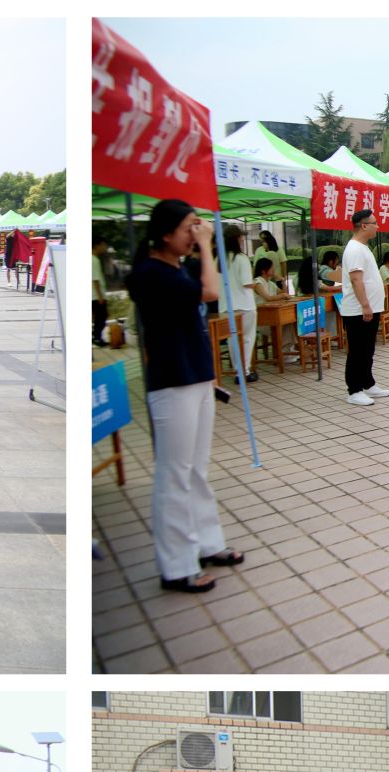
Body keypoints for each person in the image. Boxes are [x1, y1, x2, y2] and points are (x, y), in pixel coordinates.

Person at [127, 199, 242, 596]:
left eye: (199, 226)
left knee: (196, 469)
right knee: (174, 473)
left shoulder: (178, 268)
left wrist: (209, 378)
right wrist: (207, 244)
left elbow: (206, 293)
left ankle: (207, 545)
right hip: (172, 383)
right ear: (165, 234)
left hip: (196, 378)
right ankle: (176, 566)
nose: (196, 233)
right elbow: (210, 291)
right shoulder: (150, 273)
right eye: (190, 226)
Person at [335, 210, 387, 405]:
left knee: (367, 349)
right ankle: (354, 389)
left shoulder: (363, 247)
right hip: (358, 311)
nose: (377, 226)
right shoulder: (354, 249)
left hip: (370, 308)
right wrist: (365, 305)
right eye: (374, 223)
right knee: (357, 350)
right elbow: (356, 280)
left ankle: (368, 383)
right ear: (364, 226)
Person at [222, 223, 259, 385]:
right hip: (245, 305)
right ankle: (245, 371)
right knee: (247, 339)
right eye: (241, 238)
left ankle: (238, 370)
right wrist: (256, 284)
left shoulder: (219, 259)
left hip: (226, 307)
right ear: (237, 239)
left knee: (232, 340)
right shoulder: (241, 258)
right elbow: (247, 283)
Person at [91, 238, 113, 345]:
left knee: (100, 317)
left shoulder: (94, 259)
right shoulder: (93, 260)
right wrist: (100, 296)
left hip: (96, 294)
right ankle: (96, 337)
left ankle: (96, 336)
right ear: (96, 245)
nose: (104, 248)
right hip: (96, 295)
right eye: (103, 245)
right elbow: (95, 279)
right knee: (101, 317)